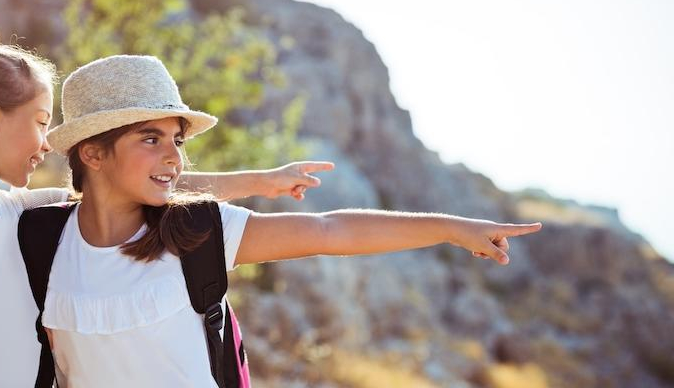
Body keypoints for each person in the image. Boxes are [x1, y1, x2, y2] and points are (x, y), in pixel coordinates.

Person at [36, 54, 543, 387]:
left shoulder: (197, 231)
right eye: (151, 138)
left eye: (178, 140)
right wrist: (259, 177)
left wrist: (451, 229)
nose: (175, 157)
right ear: (93, 154)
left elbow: (331, 230)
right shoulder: (37, 232)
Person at [0, 32, 333, 388]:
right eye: (39, 123)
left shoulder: (22, 214)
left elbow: (137, 184)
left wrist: (262, 181)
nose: (45, 144)